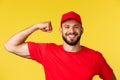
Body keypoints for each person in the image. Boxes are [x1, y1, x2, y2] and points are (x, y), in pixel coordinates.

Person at [4, 11, 116, 80]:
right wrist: (36, 26)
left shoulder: (96, 57)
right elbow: (10, 46)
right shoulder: (47, 51)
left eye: (76, 26)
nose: (71, 30)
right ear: (61, 31)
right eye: (67, 27)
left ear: (82, 30)